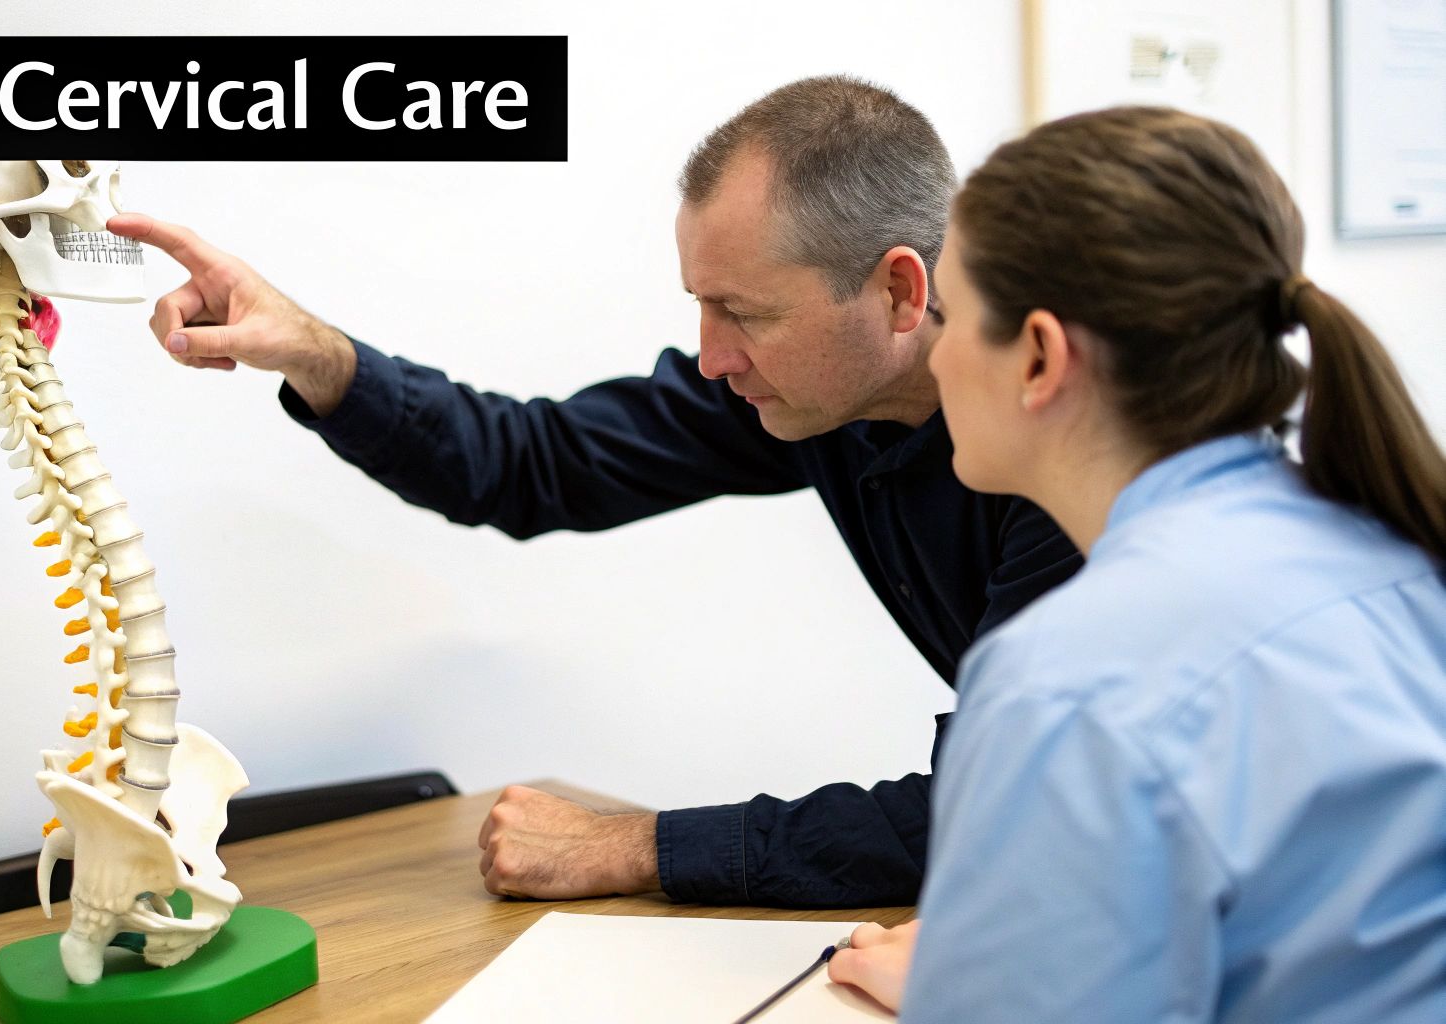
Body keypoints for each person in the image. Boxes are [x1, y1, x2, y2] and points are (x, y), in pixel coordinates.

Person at [107, 76, 1081, 908]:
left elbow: (999, 808)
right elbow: (540, 463)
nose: (710, 354)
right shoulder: (815, 391)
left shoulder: (1078, 457)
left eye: (741, 312)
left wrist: (629, 845)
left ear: (901, 293)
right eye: (700, 305)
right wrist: (314, 352)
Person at [825, 105, 1446, 1021]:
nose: (934, 352)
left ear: (1039, 357)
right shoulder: (1396, 549)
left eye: (950, 318)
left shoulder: (1066, 679)